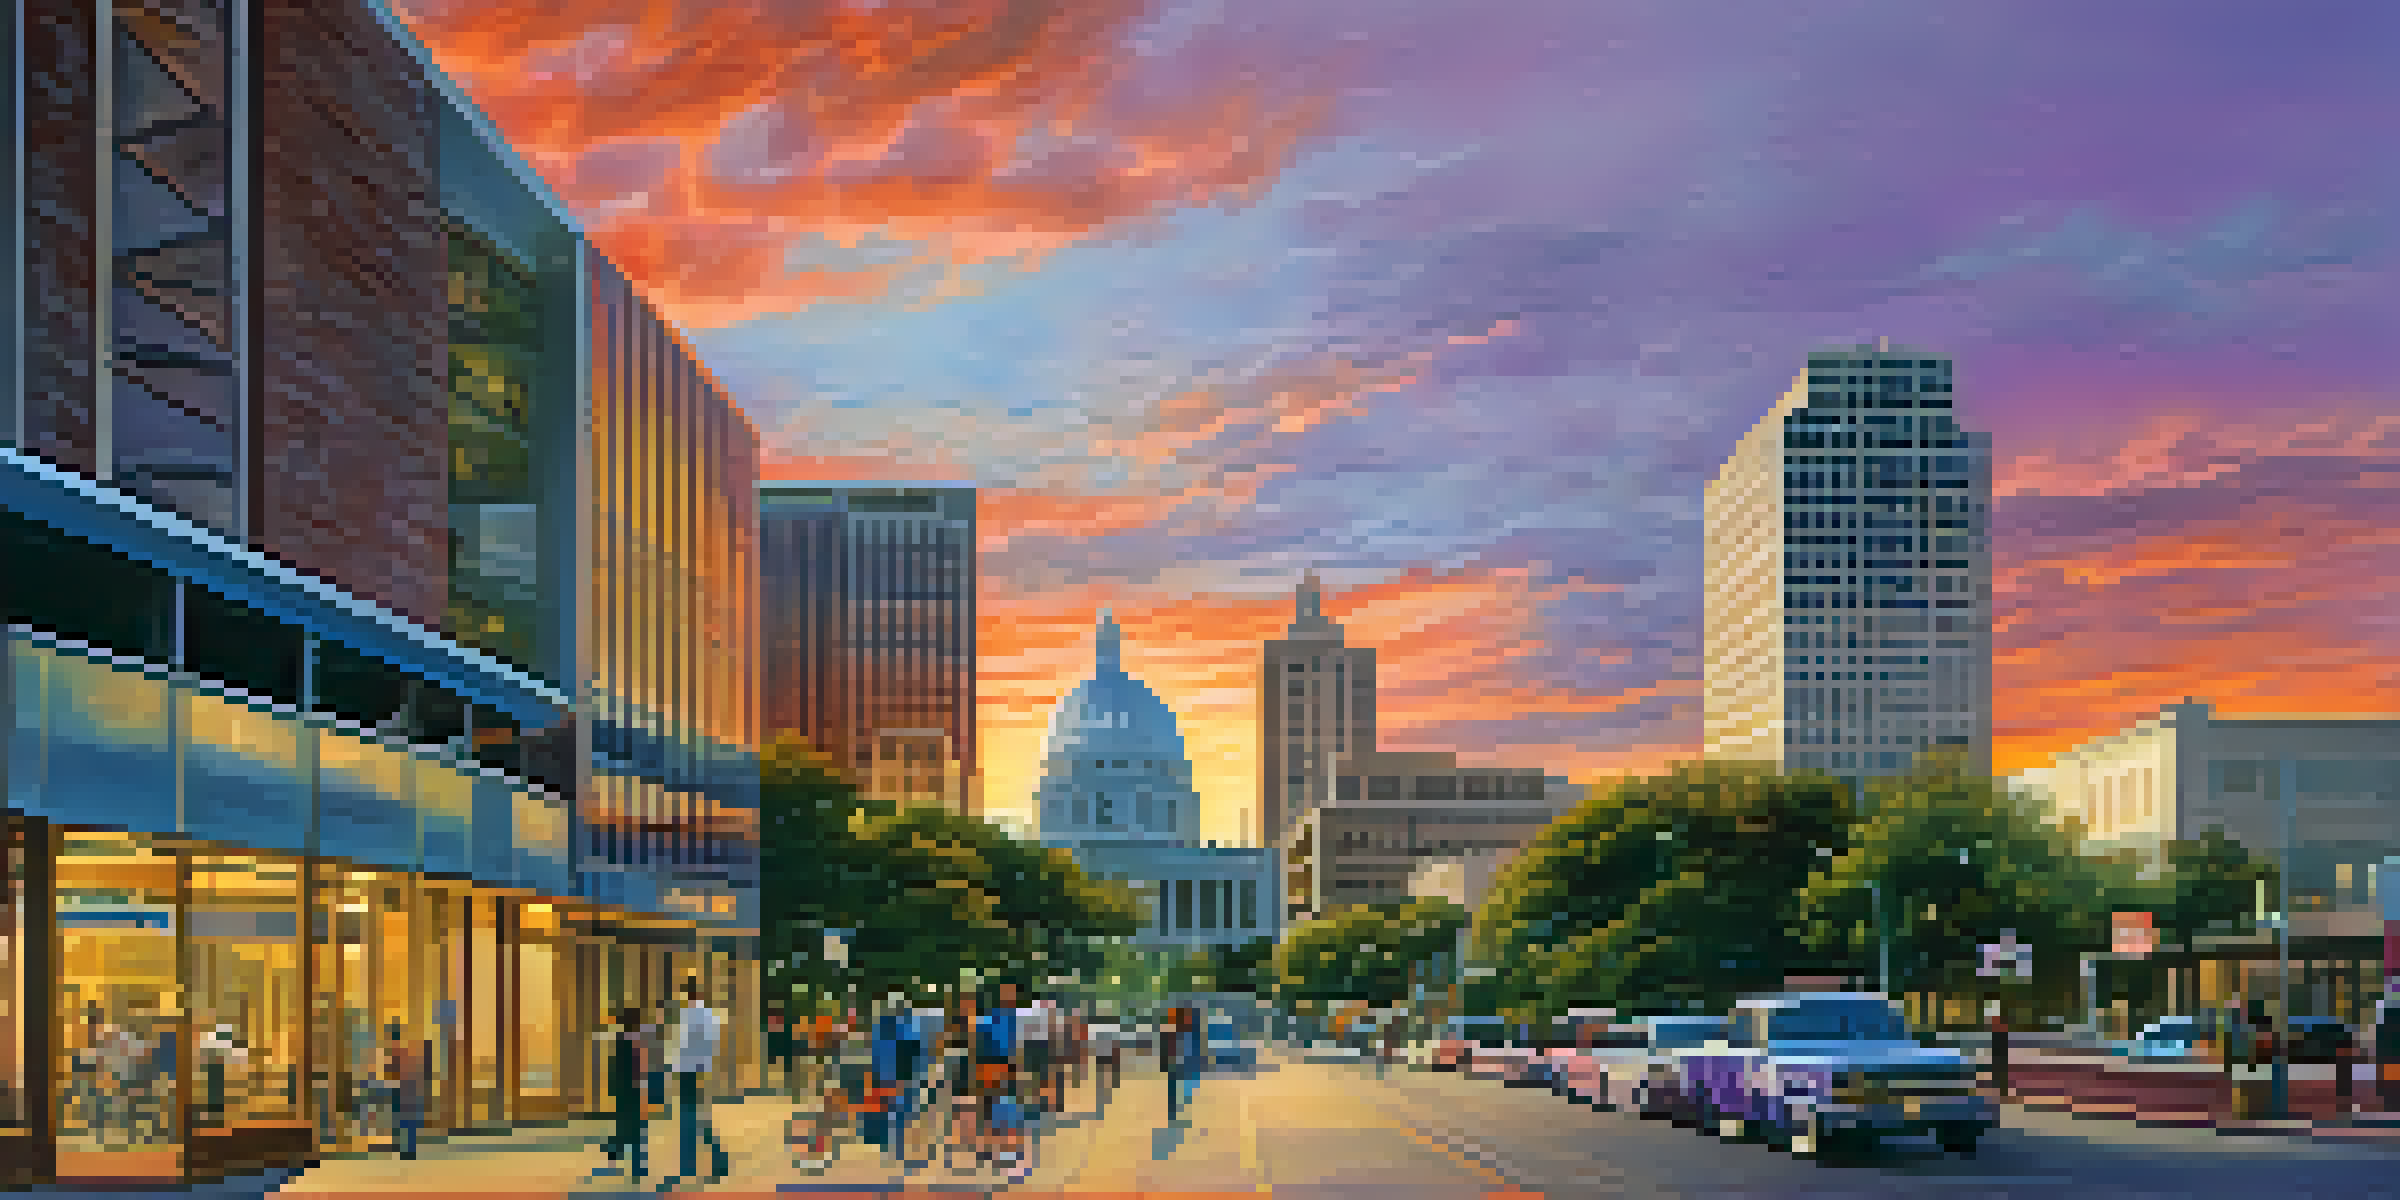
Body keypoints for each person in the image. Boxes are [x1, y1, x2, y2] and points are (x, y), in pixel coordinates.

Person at [667, 979, 731, 1184]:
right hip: (701, 1070)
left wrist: (672, 1069)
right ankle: (718, 1161)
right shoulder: (710, 1015)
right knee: (699, 1118)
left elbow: (682, 1046)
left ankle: (689, 1168)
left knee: (688, 1119)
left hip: (688, 1072)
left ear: (687, 994)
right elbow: (710, 1046)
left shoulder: (688, 1015)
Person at [598, 1008, 647, 1179]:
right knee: (634, 1128)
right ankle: (636, 1166)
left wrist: (613, 1088)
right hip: (633, 1090)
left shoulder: (621, 1041)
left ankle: (615, 1152)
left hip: (622, 1090)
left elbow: (615, 1068)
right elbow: (641, 1070)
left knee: (624, 1125)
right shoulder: (638, 1042)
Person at [382, 1024, 427, 1161]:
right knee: (402, 1119)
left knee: (404, 1119)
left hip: (403, 1088)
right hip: (403, 1087)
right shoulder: (403, 1051)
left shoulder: (397, 1052)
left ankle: (406, 1148)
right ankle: (405, 1148)